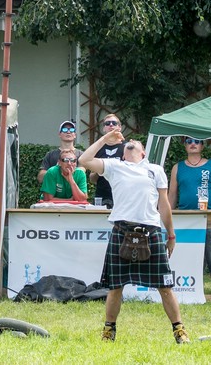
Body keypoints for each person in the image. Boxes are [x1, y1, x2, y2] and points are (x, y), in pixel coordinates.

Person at [79, 132, 188, 344]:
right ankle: (109, 331)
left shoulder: (154, 170)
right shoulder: (114, 166)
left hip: (151, 232)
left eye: (135, 143)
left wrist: (171, 234)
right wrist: (104, 140)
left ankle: (179, 330)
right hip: (122, 230)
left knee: (165, 287)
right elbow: (83, 160)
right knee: (115, 287)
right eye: (128, 143)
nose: (131, 142)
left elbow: (164, 204)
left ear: (143, 152)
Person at [169, 136, 211, 295]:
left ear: (202, 145)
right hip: (185, 219)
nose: (193, 144)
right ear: (185, 146)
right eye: (189, 141)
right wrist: (168, 219)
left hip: (209, 218)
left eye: (197, 141)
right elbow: (172, 195)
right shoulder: (177, 167)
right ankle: (190, 291)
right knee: (187, 256)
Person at [88, 114, 126, 207]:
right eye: (107, 123)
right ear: (104, 128)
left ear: (119, 127)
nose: (111, 125)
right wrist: (100, 169)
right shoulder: (97, 148)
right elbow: (92, 179)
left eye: (114, 123)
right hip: (102, 195)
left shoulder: (127, 147)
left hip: (122, 195)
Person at [36, 120, 82, 186]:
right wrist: (57, 170)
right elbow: (40, 178)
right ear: (59, 134)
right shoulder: (50, 155)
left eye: (72, 130)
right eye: (65, 129)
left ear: (75, 135)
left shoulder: (81, 155)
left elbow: (82, 174)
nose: (68, 132)